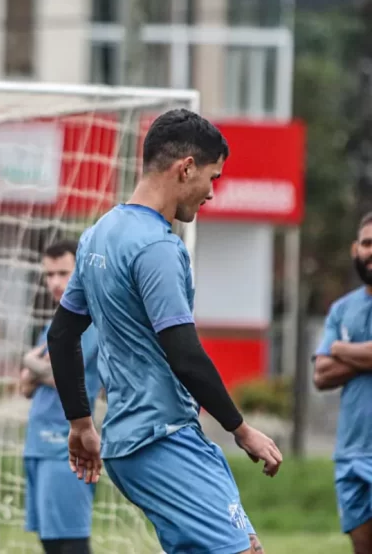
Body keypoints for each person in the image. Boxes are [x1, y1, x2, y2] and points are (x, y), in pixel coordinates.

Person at [46, 108, 282, 554]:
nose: (212, 192)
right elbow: (185, 354)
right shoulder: (157, 247)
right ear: (186, 168)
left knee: (248, 545)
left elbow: (61, 335)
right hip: (161, 438)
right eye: (213, 177)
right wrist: (241, 428)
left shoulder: (98, 235)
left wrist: (81, 424)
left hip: (132, 441)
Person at [20, 240, 100, 554]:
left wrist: (32, 363)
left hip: (66, 447)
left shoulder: (89, 322)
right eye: (49, 274)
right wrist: (36, 370)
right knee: (50, 542)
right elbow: (25, 385)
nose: (55, 282)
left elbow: (58, 375)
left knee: (71, 541)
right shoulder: (53, 325)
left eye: (63, 273)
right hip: (38, 445)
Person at [313, 212, 372, 553]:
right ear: (355, 249)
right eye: (367, 244)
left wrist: (339, 348)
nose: (371, 251)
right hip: (350, 455)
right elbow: (321, 374)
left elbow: (331, 360)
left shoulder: (337, 331)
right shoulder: (341, 310)